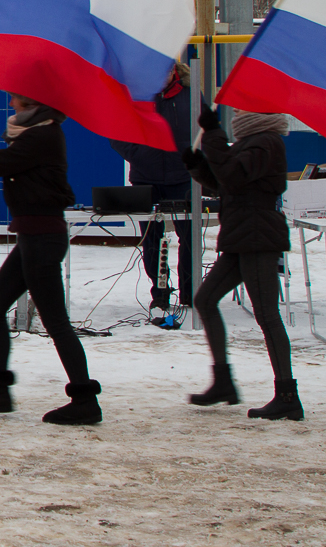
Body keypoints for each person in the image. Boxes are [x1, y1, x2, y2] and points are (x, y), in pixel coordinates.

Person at [0, 94, 101, 424]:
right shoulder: (37, 133)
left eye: (15, 99)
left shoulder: (42, 135)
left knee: (56, 322)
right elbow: (3, 159)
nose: (9, 105)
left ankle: (85, 399)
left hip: (42, 239)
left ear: (31, 102)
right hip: (33, 236)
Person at [182, 107, 302, 420]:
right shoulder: (252, 141)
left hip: (258, 236)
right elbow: (226, 182)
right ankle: (223, 382)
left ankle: (287, 394)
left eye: (241, 108)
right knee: (205, 300)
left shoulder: (267, 142)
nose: (236, 113)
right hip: (241, 235)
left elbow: (233, 176)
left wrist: (213, 135)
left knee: (266, 314)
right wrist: (199, 168)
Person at [109, 63, 193, 310]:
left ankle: (190, 292)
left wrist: (192, 158)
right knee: (151, 239)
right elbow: (117, 133)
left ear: (174, 71)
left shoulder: (191, 95)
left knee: (188, 238)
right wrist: (140, 155)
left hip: (183, 177)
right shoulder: (135, 96)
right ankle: (161, 291)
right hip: (146, 177)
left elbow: (205, 131)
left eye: (165, 70)